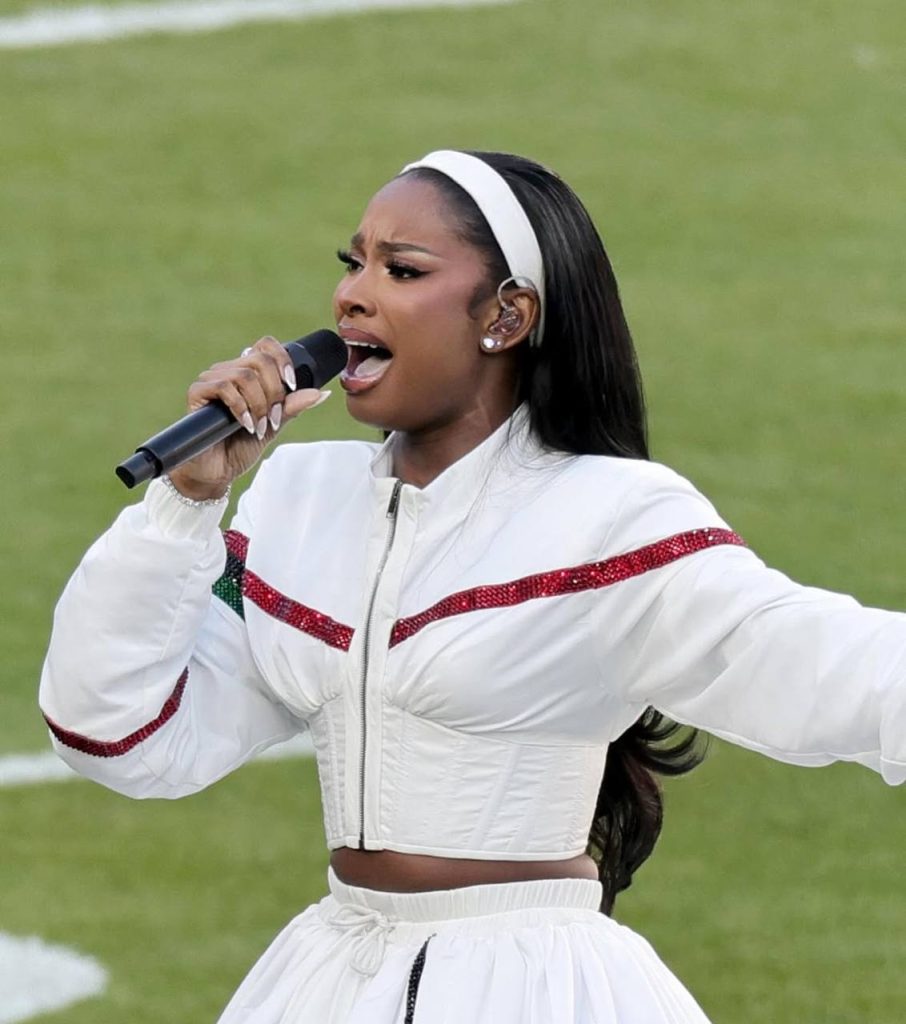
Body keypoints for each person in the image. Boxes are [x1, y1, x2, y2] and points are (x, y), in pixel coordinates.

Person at [40, 149, 906, 1024]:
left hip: (533, 987)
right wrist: (185, 506)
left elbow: (826, 665)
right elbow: (117, 734)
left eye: (402, 270)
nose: (351, 296)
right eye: (352, 263)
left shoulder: (613, 518)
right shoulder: (298, 502)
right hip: (334, 977)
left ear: (506, 315)